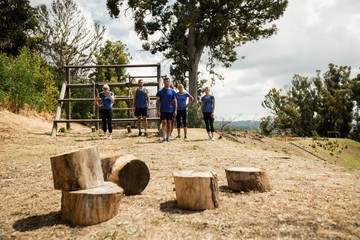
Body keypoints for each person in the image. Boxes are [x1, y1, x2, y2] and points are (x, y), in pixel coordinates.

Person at [156, 77, 177, 143]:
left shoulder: (172, 91)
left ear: (169, 82)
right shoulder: (160, 91)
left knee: (169, 123)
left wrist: (175, 110)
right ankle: (164, 137)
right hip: (163, 110)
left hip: (170, 110)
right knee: (164, 123)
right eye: (165, 82)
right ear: (163, 82)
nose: (166, 83)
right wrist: (158, 110)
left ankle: (168, 137)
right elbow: (157, 101)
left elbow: (175, 101)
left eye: (167, 81)